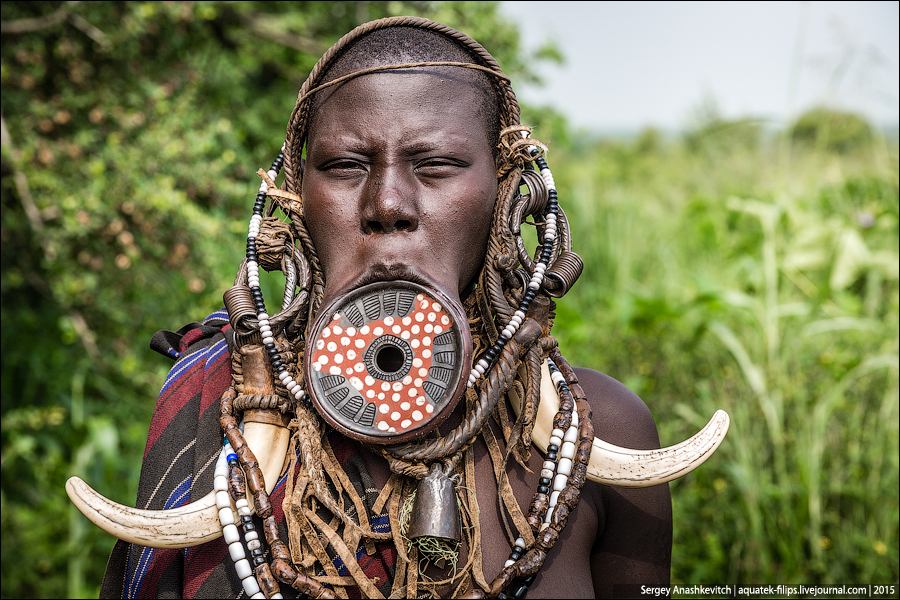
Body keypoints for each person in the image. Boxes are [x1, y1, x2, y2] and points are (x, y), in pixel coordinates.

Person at [82, 16, 698, 599]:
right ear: (297, 197)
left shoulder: (596, 434)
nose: (388, 204)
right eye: (346, 166)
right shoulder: (219, 421)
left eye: (436, 165)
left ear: (507, 192)